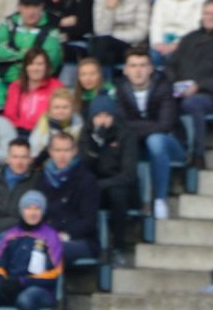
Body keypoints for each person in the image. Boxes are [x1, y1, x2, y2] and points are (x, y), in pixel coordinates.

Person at [166, 0, 213, 170]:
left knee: (193, 103)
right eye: (207, 13)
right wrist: (174, 84)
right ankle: (175, 151)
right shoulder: (188, 39)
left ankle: (198, 156)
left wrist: (199, 85)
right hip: (180, 91)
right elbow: (171, 66)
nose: (210, 17)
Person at [0, 189, 63, 310]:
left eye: (37, 209)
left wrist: (22, 282)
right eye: (28, 208)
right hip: (11, 287)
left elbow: (54, 273)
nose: (32, 213)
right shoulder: (11, 234)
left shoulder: (51, 236)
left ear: (42, 212)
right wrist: (3, 282)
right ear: (22, 211)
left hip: (39, 290)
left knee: (25, 299)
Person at [115, 48, 182, 221]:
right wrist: (148, 127)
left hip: (171, 144)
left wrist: (134, 129)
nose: (138, 71)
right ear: (125, 70)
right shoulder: (120, 90)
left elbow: (165, 125)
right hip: (138, 145)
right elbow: (120, 125)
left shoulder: (164, 86)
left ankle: (160, 200)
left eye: (143, 65)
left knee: (155, 141)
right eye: (133, 66)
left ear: (151, 68)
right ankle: (141, 204)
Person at [80, 95, 137, 261]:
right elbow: (84, 167)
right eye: (98, 116)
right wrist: (95, 145)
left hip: (119, 186)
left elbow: (129, 174)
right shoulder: (86, 134)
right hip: (93, 185)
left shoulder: (126, 135)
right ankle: (91, 244)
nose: (102, 121)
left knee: (117, 195)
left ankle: (118, 246)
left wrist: (100, 185)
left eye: (107, 116)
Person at [36, 132, 101, 262]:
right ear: (50, 152)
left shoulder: (87, 180)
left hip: (79, 239)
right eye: (58, 150)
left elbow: (88, 221)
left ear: (74, 151)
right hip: (47, 236)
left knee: (47, 250)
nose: (62, 155)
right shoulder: (41, 179)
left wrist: (64, 234)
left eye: (66, 150)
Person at [0, 0, 64, 86]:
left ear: (41, 7)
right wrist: (23, 53)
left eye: (35, 7)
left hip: (35, 83)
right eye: (26, 7)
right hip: (4, 79)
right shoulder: (9, 23)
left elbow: (52, 58)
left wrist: (15, 54)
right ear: (19, 7)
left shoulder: (51, 29)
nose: (31, 12)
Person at [0, 137, 39, 238]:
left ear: (30, 160)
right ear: (8, 159)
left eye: (24, 157)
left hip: (15, 235)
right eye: (15, 157)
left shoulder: (37, 181)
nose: (19, 162)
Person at [91, 0, 151, 70]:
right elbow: (100, 31)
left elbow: (141, 32)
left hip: (132, 46)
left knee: (103, 45)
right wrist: (110, 8)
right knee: (100, 45)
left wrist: (113, 38)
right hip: (107, 46)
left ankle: (105, 82)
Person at [3, 47, 63, 135]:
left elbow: (60, 116)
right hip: (16, 133)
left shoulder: (56, 86)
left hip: (44, 133)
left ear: (46, 66)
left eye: (39, 64)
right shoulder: (15, 86)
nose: (35, 68)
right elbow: (8, 116)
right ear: (25, 67)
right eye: (31, 64)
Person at [150, 0, 210, 65]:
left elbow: (197, 27)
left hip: (186, 43)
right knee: (153, 56)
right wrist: (157, 43)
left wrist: (176, 45)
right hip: (162, 41)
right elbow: (156, 22)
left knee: (172, 58)